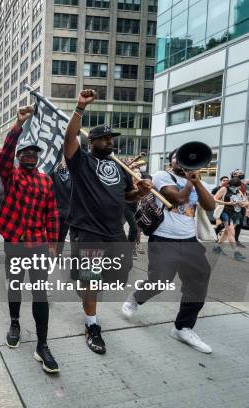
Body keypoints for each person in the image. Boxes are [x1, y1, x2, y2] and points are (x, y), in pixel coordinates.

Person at [64, 89, 152, 355]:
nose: (110, 142)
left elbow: (126, 195)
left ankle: (82, 282)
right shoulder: (81, 161)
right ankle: (92, 325)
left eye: (111, 138)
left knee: (118, 274)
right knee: (91, 281)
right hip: (88, 230)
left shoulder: (120, 167)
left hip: (114, 231)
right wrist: (80, 108)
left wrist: (141, 192)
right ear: (92, 141)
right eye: (104, 139)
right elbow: (69, 138)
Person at [122, 149, 217, 353]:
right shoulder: (163, 176)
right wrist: (191, 182)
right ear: (172, 161)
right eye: (178, 157)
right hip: (163, 239)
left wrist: (198, 182)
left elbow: (209, 206)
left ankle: (183, 327)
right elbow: (178, 200)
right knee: (160, 282)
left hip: (189, 240)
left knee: (199, 279)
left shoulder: (197, 181)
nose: (183, 162)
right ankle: (136, 298)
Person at [0, 106, 60, 373]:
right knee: (14, 286)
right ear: (20, 156)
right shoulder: (11, 176)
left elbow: (53, 213)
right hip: (14, 242)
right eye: (26, 152)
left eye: (35, 153)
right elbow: (3, 158)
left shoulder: (46, 181)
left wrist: (54, 244)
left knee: (40, 294)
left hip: (38, 245)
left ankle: (42, 345)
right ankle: (14, 323)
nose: (31, 156)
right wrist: (18, 125)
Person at [213, 177, 248, 261]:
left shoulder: (238, 190)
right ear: (230, 185)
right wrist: (227, 203)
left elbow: (245, 201)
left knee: (226, 231)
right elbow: (215, 199)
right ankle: (236, 253)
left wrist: (242, 203)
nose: (235, 188)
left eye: (237, 186)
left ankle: (217, 247)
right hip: (225, 212)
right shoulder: (224, 189)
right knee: (231, 232)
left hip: (236, 213)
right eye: (233, 186)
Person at [51, 159, 71, 256]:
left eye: (65, 162)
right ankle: (52, 254)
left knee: (62, 236)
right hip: (56, 211)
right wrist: (54, 168)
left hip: (67, 212)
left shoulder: (72, 177)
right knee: (54, 235)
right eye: (61, 162)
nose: (63, 164)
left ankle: (58, 254)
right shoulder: (54, 176)